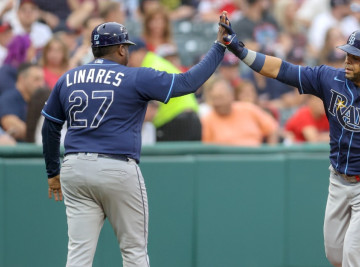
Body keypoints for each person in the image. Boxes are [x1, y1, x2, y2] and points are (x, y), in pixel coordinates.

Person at [219, 17, 360, 266]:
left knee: (353, 257)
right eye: (348, 54)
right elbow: (283, 70)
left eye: (355, 57)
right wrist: (241, 50)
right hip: (338, 179)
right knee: (336, 256)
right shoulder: (330, 78)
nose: (347, 60)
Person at [41, 17, 227, 266]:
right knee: (133, 250)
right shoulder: (134, 77)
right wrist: (219, 47)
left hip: (74, 167)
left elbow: (50, 126)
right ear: (120, 48)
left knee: (78, 253)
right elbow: (188, 82)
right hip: (116, 167)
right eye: (126, 47)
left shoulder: (68, 78)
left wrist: (53, 172)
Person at [201, 77, 279, 146]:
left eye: (220, 97)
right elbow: (206, 149)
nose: (217, 103)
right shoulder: (207, 120)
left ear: (230, 96)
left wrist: (271, 153)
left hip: (255, 158)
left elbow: (272, 128)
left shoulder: (248, 109)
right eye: (214, 99)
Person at [0, 63, 45, 141]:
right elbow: (9, 124)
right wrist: (42, 135)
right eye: (36, 79)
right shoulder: (9, 98)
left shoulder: (38, 99)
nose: (41, 84)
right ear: (21, 79)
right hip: (13, 150)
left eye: (42, 80)